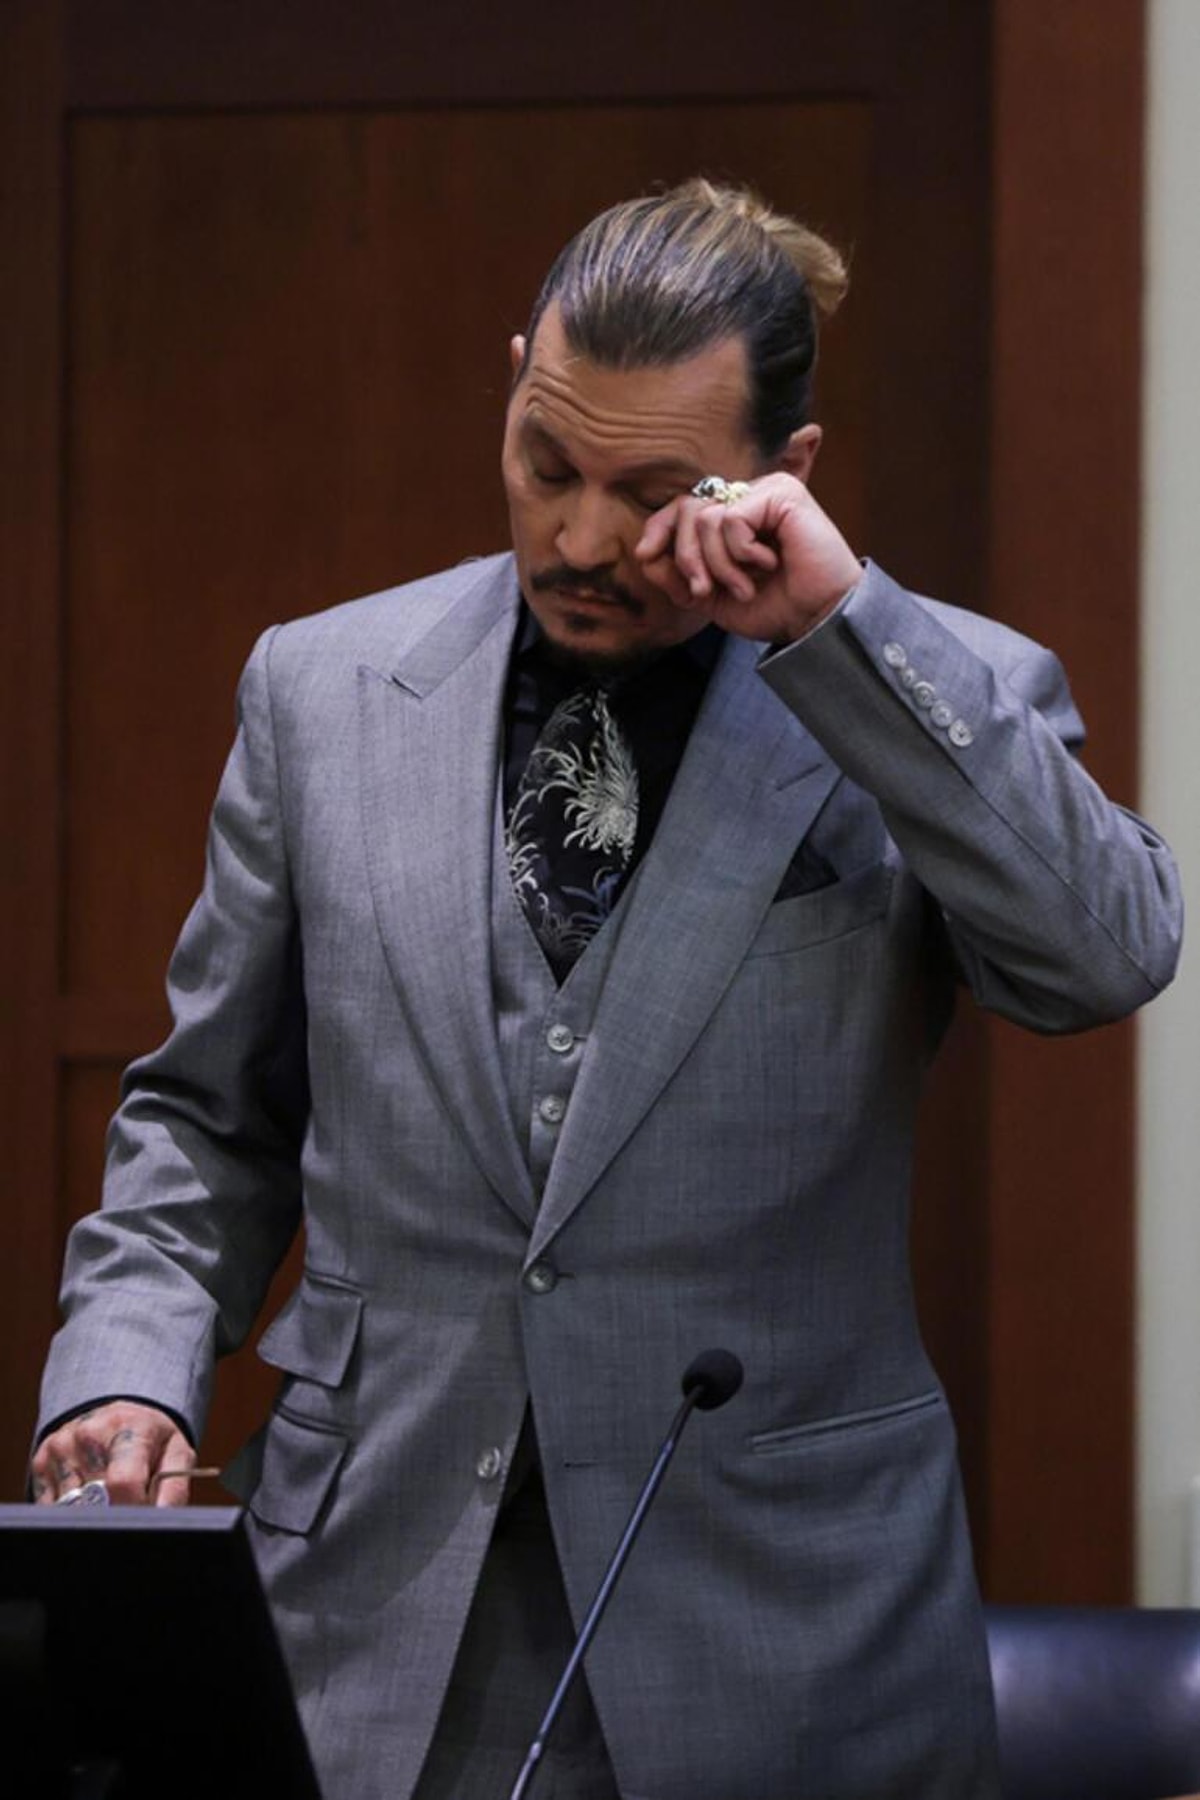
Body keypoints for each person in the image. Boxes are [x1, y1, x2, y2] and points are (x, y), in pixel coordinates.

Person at [32, 180, 1182, 1800]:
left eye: (650, 493)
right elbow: (209, 1117)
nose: (578, 539)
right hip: (374, 1623)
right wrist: (126, 1365)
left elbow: (1106, 955)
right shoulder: (321, 688)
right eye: (546, 463)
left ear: (783, 472)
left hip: (784, 1641)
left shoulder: (939, 691)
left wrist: (842, 631)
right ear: (516, 383)